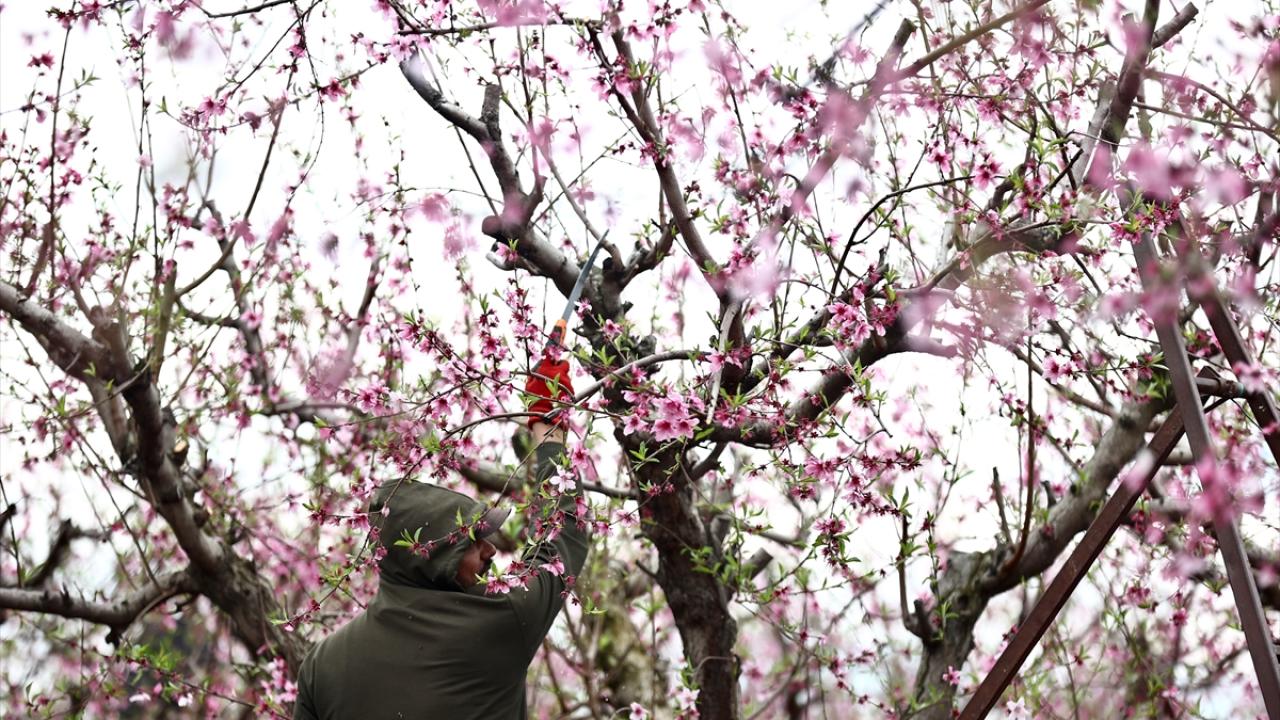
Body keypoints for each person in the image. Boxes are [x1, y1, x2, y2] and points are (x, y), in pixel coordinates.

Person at [293, 355, 588, 719]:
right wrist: (549, 424)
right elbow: (562, 535)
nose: (490, 550)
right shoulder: (501, 621)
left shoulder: (321, 666)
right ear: (430, 557)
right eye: (472, 541)